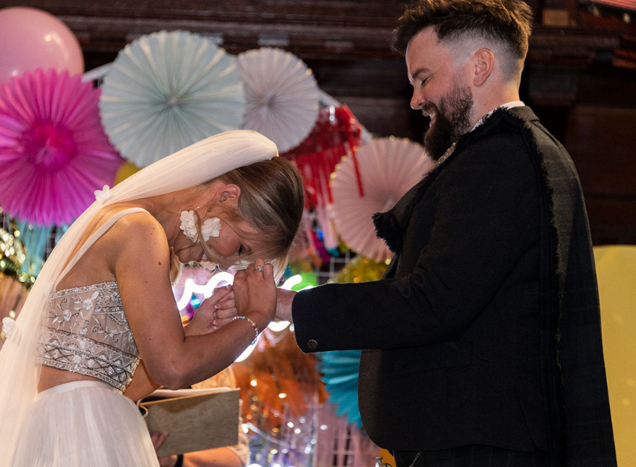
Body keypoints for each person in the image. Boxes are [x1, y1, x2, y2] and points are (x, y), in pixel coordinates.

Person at [261, 1, 618, 466]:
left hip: (480, 448)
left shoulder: (499, 160)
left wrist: (287, 304)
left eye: (423, 77)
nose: (415, 99)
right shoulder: (521, 151)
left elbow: (433, 302)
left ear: (480, 66)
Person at [0, 130, 304, 466]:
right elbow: (174, 369)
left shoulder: (134, 228)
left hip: (77, 423)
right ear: (226, 197)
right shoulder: (138, 229)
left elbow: (108, 382)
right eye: (240, 247)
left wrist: (192, 336)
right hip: (80, 434)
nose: (224, 264)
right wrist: (257, 316)